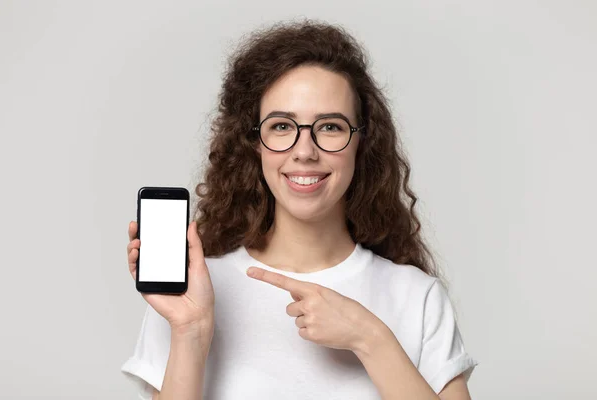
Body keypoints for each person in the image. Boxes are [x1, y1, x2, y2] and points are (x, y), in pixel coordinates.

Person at [122, 19, 478, 400]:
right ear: (254, 143)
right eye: (281, 126)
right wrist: (191, 330)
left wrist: (369, 337)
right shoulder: (193, 292)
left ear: (362, 142)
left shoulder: (417, 297)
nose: (304, 151)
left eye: (329, 127)